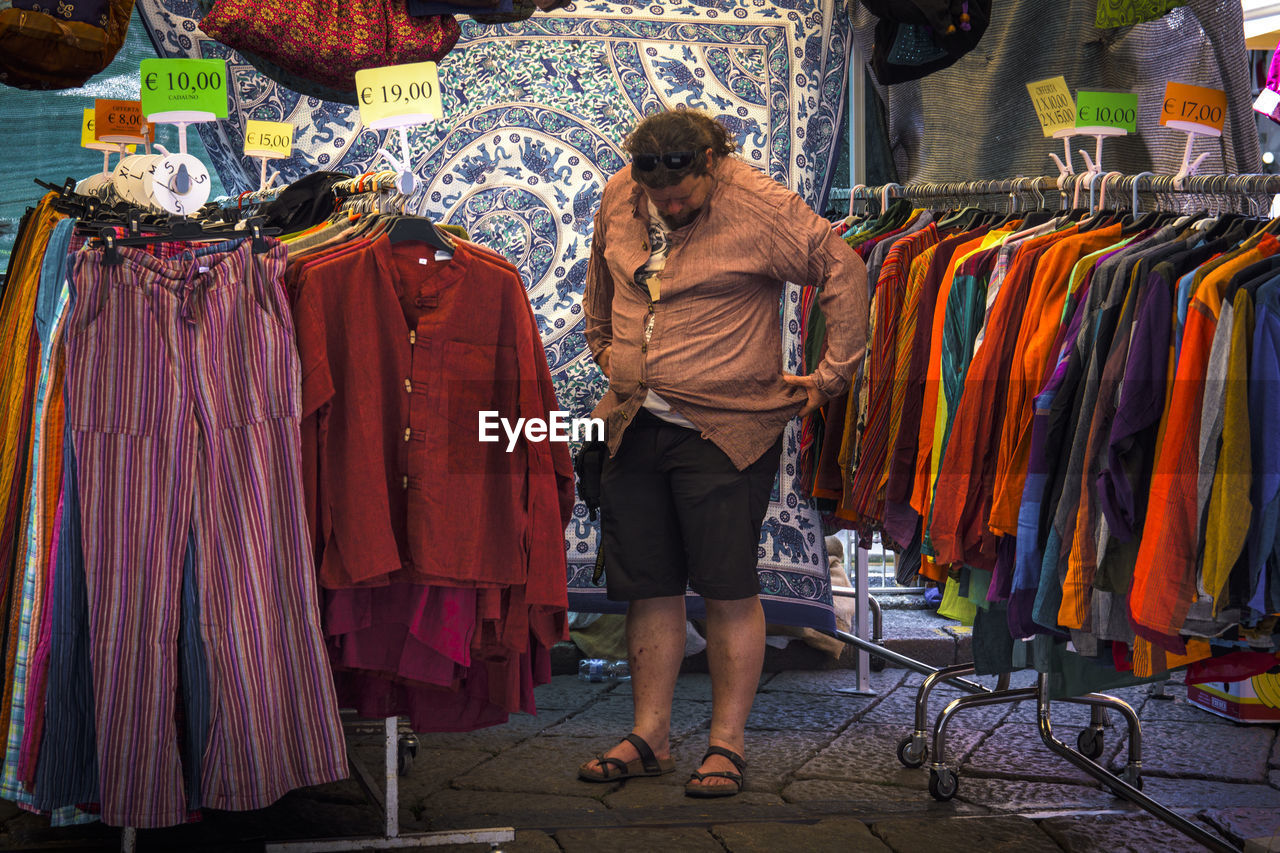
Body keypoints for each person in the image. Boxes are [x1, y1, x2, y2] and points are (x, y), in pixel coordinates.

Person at [576, 107, 868, 797]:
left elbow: (842, 267)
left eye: (681, 196)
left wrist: (830, 377)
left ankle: (726, 744)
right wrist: (606, 352)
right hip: (630, 419)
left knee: (728, 587)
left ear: (712, 164)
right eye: (657, 196)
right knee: (648, 584)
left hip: (726, 426)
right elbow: (601, 278)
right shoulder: (624, 191)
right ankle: (651, 733)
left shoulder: (759, 204)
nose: (668, 206)